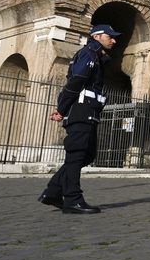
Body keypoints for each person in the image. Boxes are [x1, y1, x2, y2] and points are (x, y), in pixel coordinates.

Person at [39, 23, 120, 214]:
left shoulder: (96, 56)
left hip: (88, 111)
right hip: (81, 110)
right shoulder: (89, 55)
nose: (114, 40)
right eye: (111, 37)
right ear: (97, 36)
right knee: (76, 155)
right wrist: (61, 108)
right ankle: (73, 200)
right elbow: (76, 81)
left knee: (87, 154)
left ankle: (53, 191)